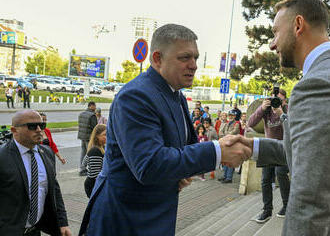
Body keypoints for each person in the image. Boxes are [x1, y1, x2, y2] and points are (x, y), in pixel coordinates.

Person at [79, 23, 251, 236]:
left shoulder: (175, 94)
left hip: (153, 216)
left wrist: (182, 171)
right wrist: (216, 151)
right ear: (157, 59)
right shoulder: (135, 96)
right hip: (124, 219)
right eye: (184, 57)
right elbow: (149, 164)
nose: (194, 65)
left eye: (196, 57)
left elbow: (185, 148)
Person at [226, 0, 330, 235]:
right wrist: (253, 147)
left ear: (298, 25)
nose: (272, 44)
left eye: (275, 32)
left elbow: (310, 198)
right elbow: (311, 155)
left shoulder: (315, 85)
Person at [0, 110, 71, 236]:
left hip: (35, 231)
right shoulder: (3, 157)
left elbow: (54, 189)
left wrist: (62, 222)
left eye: (42, 125)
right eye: (32, 126)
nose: (39, 130)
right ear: (14, 130)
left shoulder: (47, 153)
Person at [248, 89, 290, 223]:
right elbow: (250, 123)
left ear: (284, 101)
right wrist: (261, 108)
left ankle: (287, 206)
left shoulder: (288, 109)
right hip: (268, 146)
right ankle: (267, 210)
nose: (276, 103)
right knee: (265, 179)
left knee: (281, 174)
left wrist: (282, 114)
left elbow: (292, 127)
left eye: (280, 100)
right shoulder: (266, 110)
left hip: (283, 147)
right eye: (274, 100)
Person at [83, 124, 106, 198]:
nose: (107, 136)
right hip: (94, 186)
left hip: (96, 185)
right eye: (105, 134)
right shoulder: (95, 151)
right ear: (97, 136)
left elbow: (84, 163)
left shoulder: (102, 147)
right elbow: (95, 175)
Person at [218, 110, 240, 183]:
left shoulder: (236, 123)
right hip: (226, 143)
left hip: (233, 144)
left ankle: (229, 178)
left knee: (230, 161)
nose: (230, 117)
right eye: (229, 115)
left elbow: (233, 132)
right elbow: (221, 132)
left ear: (234, 116)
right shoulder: (227, 123)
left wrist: (225, 135)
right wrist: (225, 135)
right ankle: (225, 176)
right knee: (225, 161)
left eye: (232, 115)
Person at [77, 101, 97, 176]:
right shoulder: (92, 115)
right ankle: (85, 168)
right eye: (95, 106)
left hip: (82, 136)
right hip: (89, 137)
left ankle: (82, 168)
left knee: (83, 152)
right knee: (89, 153)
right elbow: (95, 127)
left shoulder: (81, 114)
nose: (95, 108)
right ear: (91, 106)